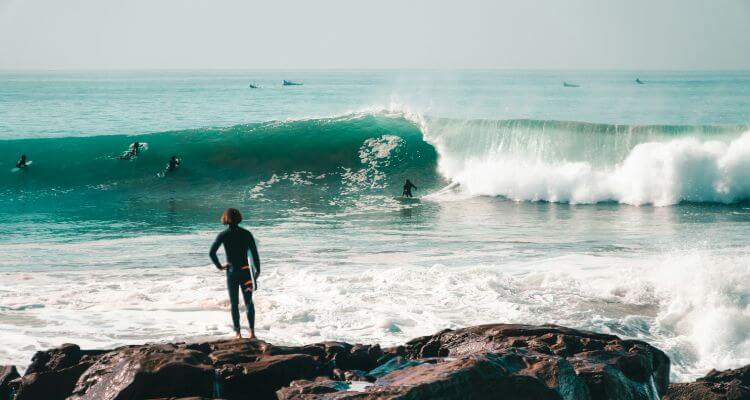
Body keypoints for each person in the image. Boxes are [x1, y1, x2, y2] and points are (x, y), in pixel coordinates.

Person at [209, 208, 261, 339]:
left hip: (232, 272)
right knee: (249, 302)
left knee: (234, 304)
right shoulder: (247, 234)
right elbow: (255, 254)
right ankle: (252, 332)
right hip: (246, 272)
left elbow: (212, 253)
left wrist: (220, 266)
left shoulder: (223, 235)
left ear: (225, 219)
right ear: (239, 218)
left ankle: (238, 333)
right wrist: (257, 271)